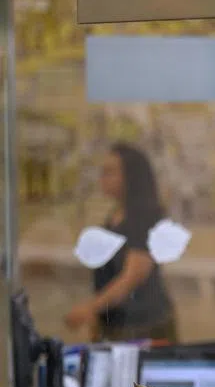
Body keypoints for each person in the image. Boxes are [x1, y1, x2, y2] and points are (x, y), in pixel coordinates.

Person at [65, 142, 178, 342]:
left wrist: (90, 308)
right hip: (117, 323)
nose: (102, 178)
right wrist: (98, 317)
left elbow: (132, 277)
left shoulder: (144, 217)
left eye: (109, 172)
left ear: (131, 177)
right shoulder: (117, 214)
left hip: (143, 326)